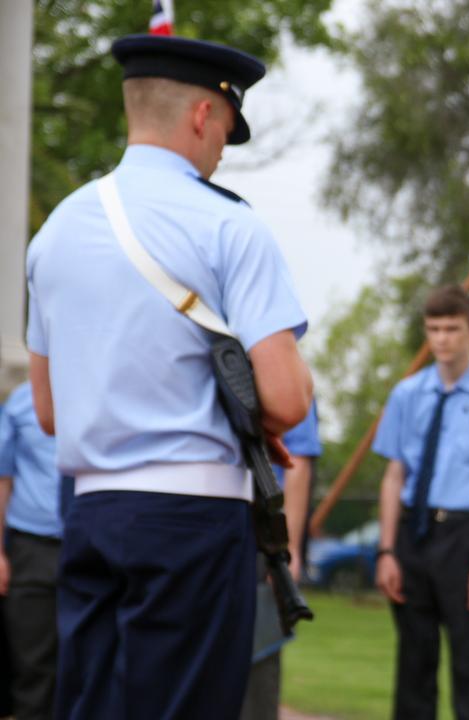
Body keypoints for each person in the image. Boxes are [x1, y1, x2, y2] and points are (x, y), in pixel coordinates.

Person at [25, 34, 313, 720]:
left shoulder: (56, 232)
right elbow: (288, 400)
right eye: (226, 133)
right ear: (203, 116)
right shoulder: (229, 227)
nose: (221, 152)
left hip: (91, 511)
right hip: (194, 514)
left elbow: (49, 412)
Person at [372, 286, 469, 720]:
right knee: (413, 666)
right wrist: (387, 550)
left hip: (467, 537)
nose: (441, 339)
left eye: (451, 329)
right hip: (413, 533)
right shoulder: (407, 394)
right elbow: (393, 476)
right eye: (434, 329)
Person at [241, 402, 322, 720]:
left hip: (258, 527)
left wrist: (286, 546)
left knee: (259, 650)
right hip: (208, 518)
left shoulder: (272, 358)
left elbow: (297, 463)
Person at [0, 381, 62, 719]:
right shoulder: (20, 403)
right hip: (33, 547)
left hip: (95, 542)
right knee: (34, 670)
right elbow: (2, 477)